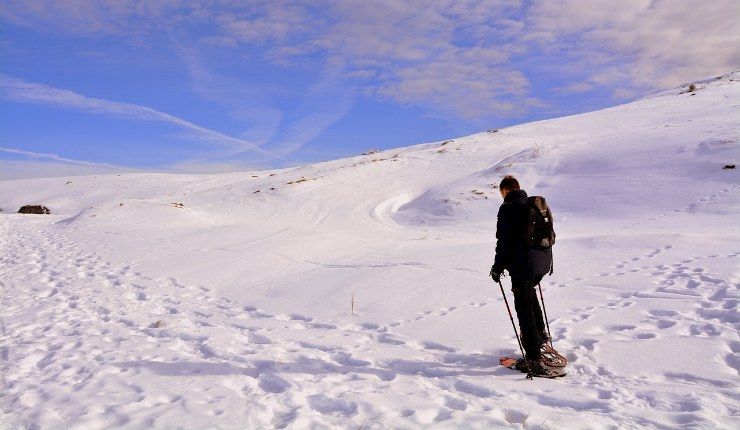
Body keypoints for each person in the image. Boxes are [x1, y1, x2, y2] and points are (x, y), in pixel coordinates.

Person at [489, 175, 555, 374]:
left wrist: (497, 268)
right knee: (529, 294)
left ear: (506, 191)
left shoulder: (508, 208)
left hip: (523, 265)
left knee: (523, 310)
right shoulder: (533, 204)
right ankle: (541, 336)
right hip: (542, 263)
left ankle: (534, 359)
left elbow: (504, 242)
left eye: (501, 193)